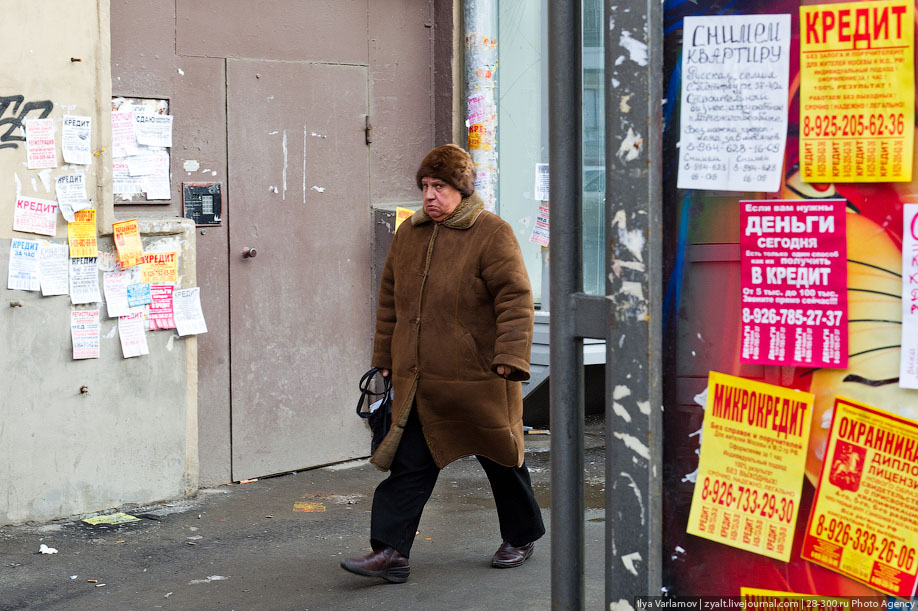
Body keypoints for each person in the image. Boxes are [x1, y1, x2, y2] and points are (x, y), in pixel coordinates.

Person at [341, 144, 545, 584]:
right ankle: (391, 552)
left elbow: (515, 299)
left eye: (441, 187)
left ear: (462, 189)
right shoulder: (409, 234)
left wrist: (510, 357)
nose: (430, 195)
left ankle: (522, 535)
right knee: (409, 463)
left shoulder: (492, 232)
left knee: (501, 459)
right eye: (425, 186)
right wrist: (384, 358)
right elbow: (390, 302)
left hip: (479, 377)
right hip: (421, 381)